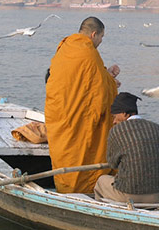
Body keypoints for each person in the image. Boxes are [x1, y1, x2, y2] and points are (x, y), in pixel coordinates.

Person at [45, 17, 119, 194]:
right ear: (94, 34)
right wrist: (111, 83)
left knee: (66, 151)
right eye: (101, 37)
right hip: (79, 120)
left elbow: (71, 80)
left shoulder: (65, 47)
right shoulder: (88, 53)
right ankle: (83, 187)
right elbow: (99, 94)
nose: (101, 41)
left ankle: (65, 185)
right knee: (84, 149)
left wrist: (107, 76)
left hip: (60, 114)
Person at [94, 92, 159, 205]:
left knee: (101, 181)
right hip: (158, 196)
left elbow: (112, 163)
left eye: (114, 116)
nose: (114, 121)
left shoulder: (117, 130)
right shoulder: (158, 128)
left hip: (129, 195)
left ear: (124, 113)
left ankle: (104, 213)